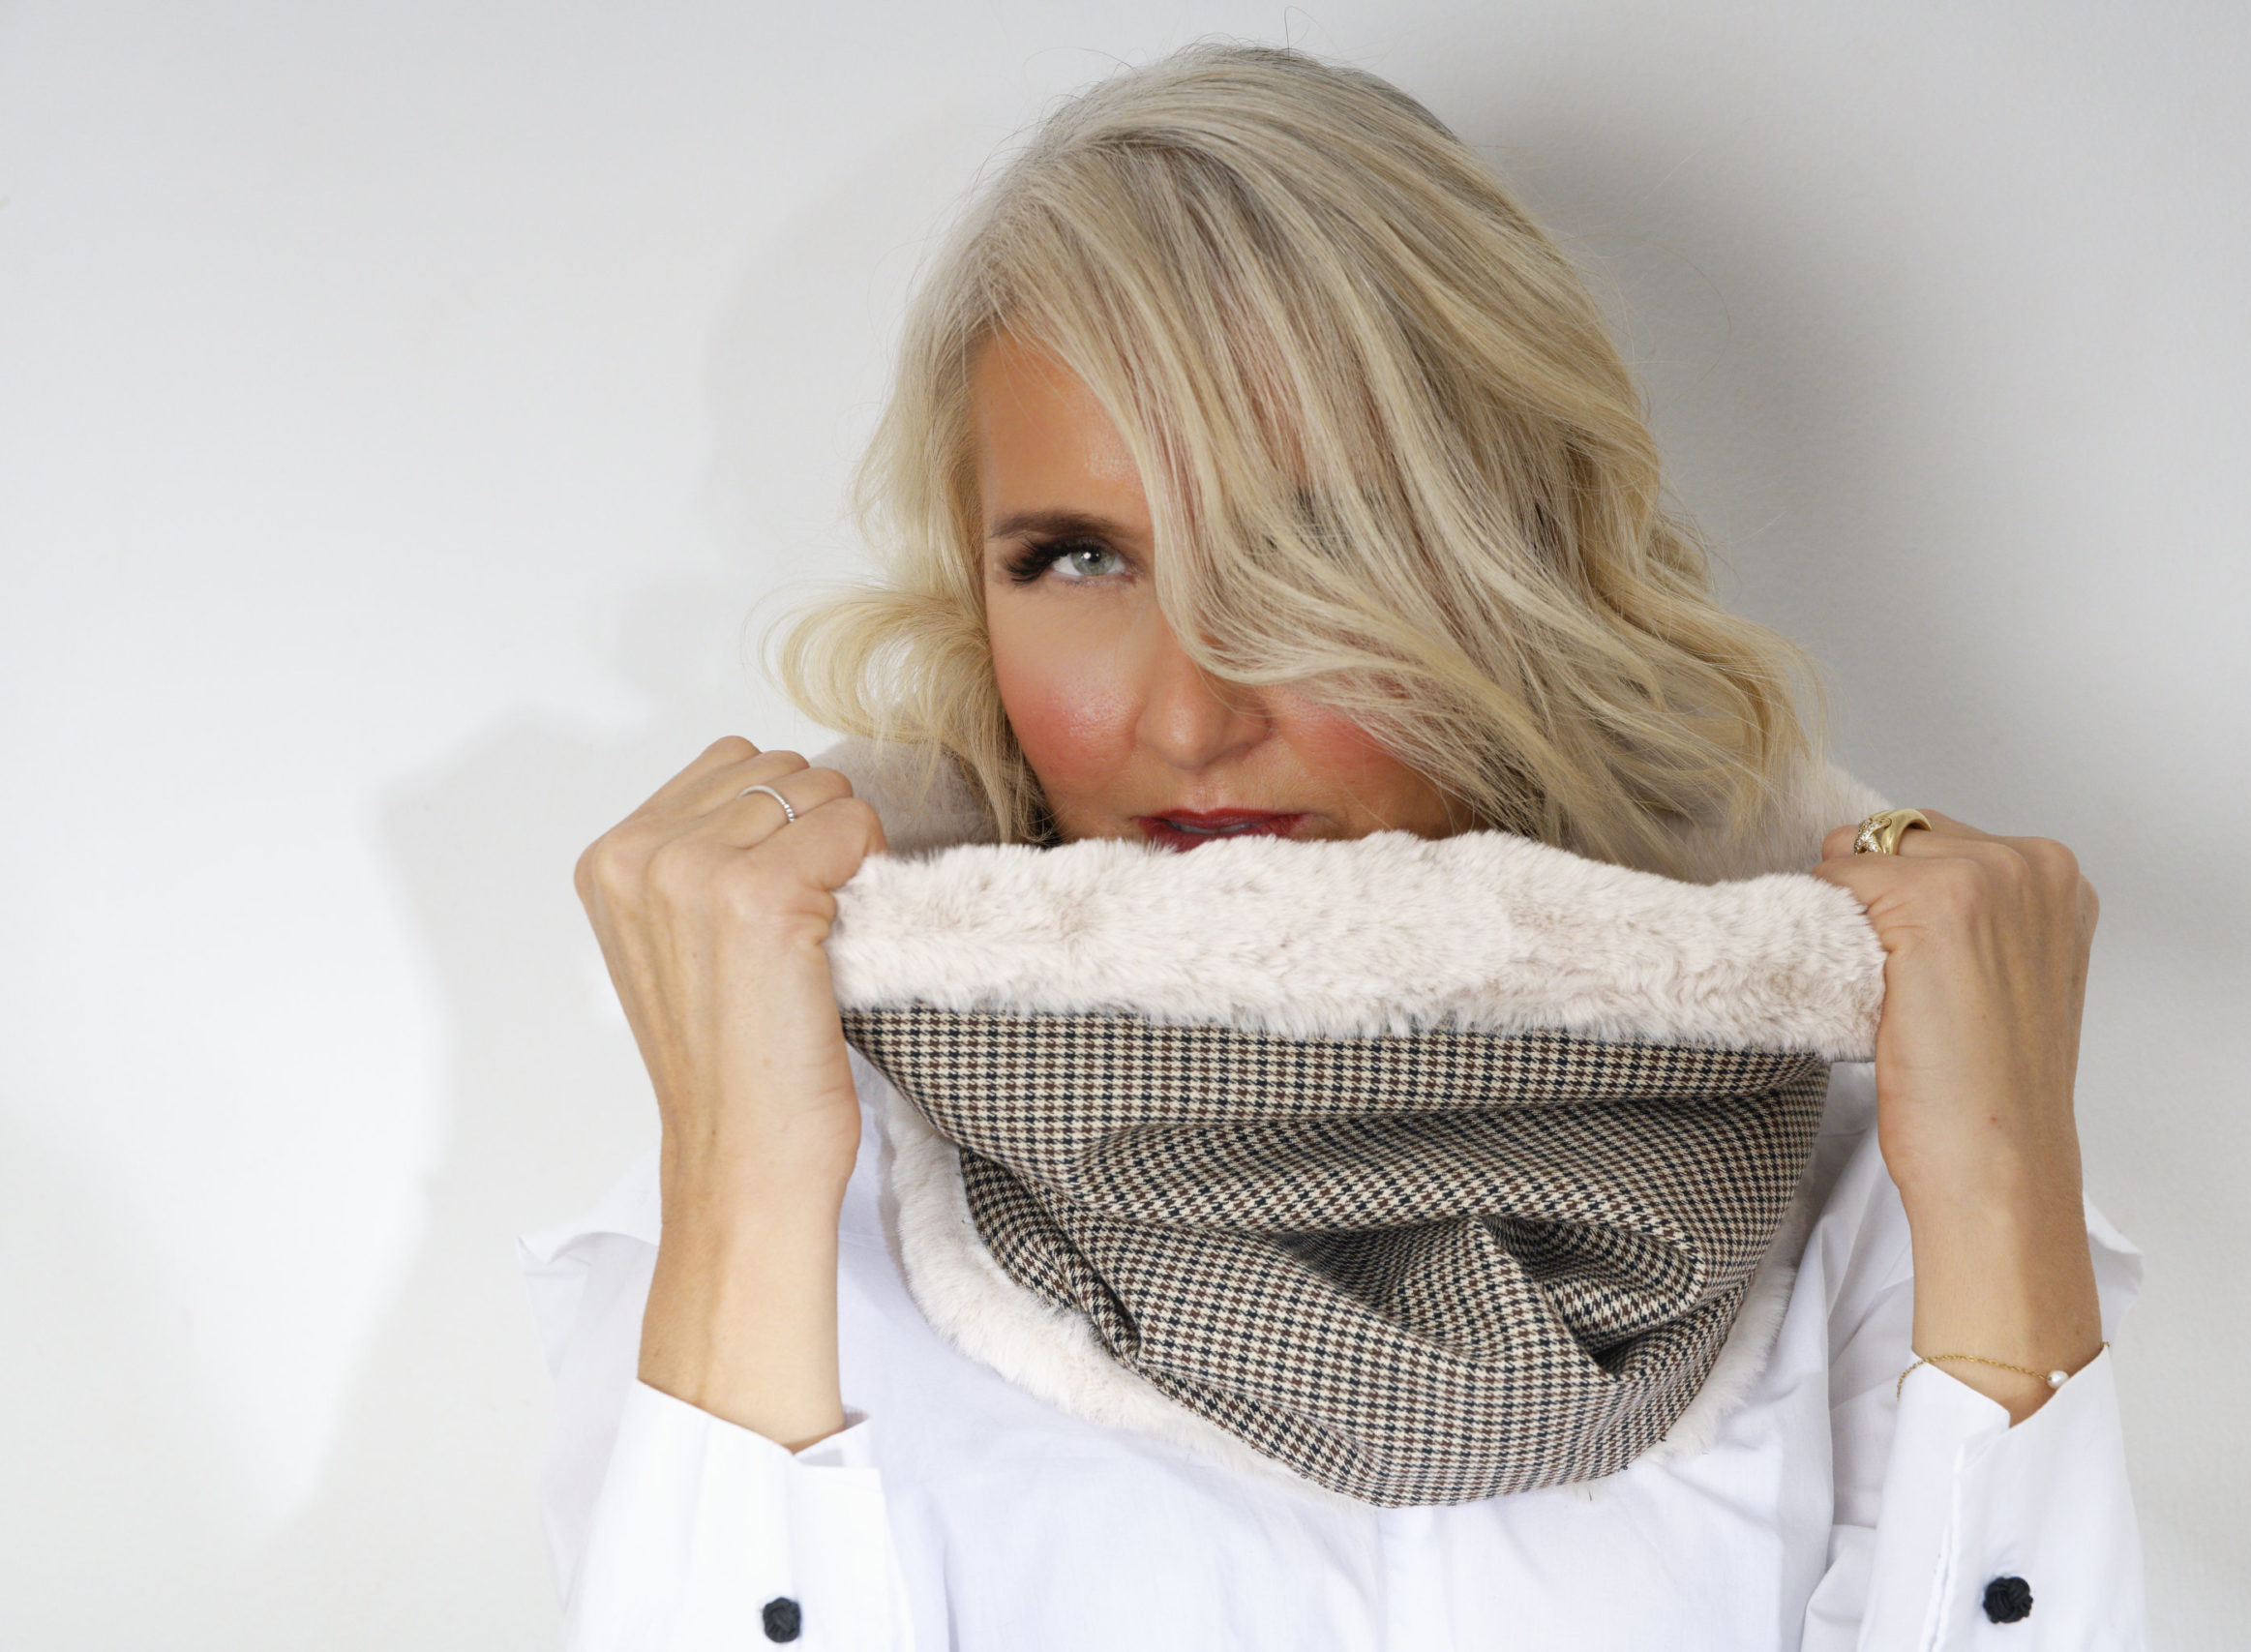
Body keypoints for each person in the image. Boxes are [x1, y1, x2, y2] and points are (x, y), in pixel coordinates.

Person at [523, 40, 2144, 1650]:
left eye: (1315, 547)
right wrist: (743, 1182)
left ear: (1521, 568)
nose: (1189, 714)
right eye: (1079, 557)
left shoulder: (1858, 1159)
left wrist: (1999, 1175)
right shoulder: (809, 1172)